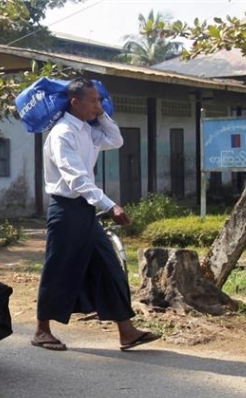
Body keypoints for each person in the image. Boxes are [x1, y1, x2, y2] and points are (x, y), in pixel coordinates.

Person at [32, 77, 160, 352]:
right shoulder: (62, 133)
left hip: (85, 210)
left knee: (108, 265)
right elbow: (76, 179)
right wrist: (109, 205)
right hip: (65, 209)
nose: (98, 105)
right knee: (58, 267)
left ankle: (126, 331)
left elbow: (116, 139)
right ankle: (42, 330)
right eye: (92, 101)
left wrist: (100, 114)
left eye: (99, 100)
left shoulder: (88, 130)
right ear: (75, 102)